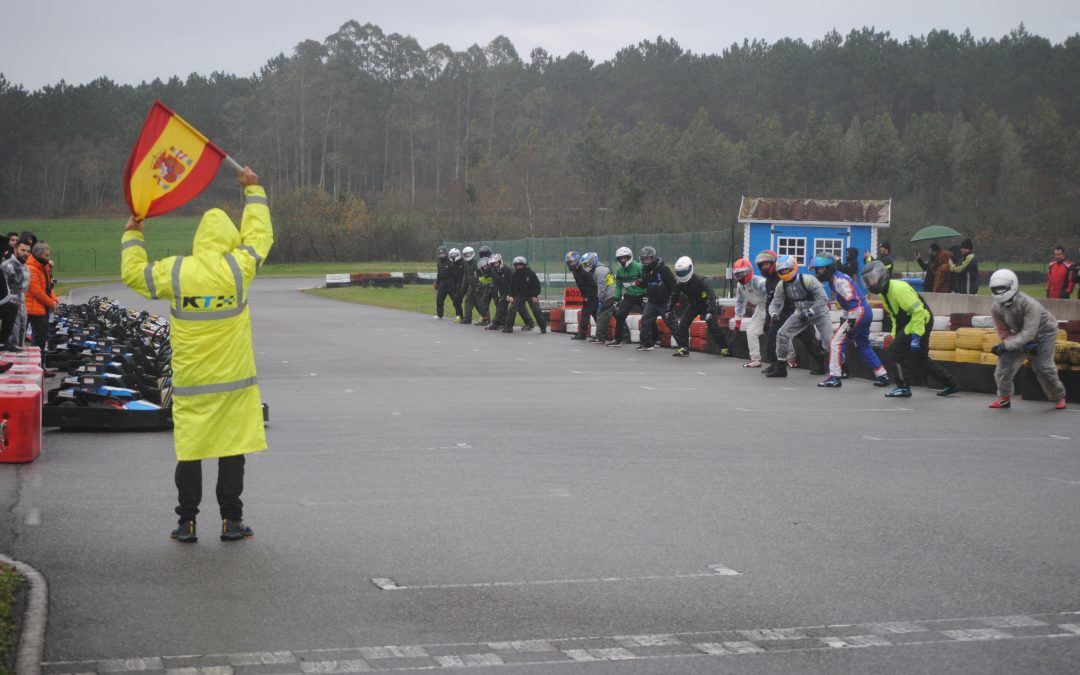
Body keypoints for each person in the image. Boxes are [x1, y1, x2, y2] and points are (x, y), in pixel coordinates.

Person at [121, 165, 273, 542]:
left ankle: (186, 523)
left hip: (191, 383)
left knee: (190, 451)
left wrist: (133, 233)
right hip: (233, 384)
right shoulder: (237, 270)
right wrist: (253, 192)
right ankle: (231, 522)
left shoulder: (177, 272)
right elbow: (260, 238)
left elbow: (133, 274)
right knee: (231, 452)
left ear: (199, 237)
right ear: (228, 237)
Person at [862, 260, 959, 398]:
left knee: (895, 351)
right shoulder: (884, 294)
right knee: (920, 357)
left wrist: (916, 336)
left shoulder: (898, 289)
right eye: (867, 281)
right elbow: (895, 317)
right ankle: (951, 383)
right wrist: (895, 335)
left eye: (872, 279)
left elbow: (918, 312)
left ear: (881, 276)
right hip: (911, 320)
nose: (870, 284)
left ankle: (903, 387)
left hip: (921, 319)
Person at [987, 270, 1067, 410]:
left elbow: (1030, 332)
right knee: (1004, 363)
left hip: (1044, 332)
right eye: (997, 288)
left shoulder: (1030, 304)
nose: (1000, 291)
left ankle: (1058, 396)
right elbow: (1003, 331)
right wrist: (1007, 344)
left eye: (1003, 288)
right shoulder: (995, 308)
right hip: (1021, 334)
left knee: (1042, 366)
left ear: (1012, 286)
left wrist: (1008, 345)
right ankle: (1004, 397)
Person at [809, 254, 889, 388]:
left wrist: (850, 322)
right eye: (817, 269)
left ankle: (834, 377)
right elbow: (847, 301)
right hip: (863, 312)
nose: (818, 272)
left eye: (821, 269)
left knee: (835, 342)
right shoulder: (837, 278)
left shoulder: (839, 281)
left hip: (858, 312)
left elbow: (853, 301)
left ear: (829, 268)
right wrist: (845, 319)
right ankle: (882, 375)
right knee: (863, 345)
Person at [764, 256, 830, 378]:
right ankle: (781, 368)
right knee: (782, 334)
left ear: (794, 267)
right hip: (800, 312)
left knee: (828, 342)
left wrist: (811, 311)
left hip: (819, 312)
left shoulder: (808, 280)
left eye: (786, 269)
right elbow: (776, 302)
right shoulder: (781, 285)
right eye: (781, 271)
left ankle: (841, 367)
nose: (784, 273)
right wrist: (774, 313)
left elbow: (823, 298)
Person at [664, 256, 729, 358]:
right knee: (683, 323)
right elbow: (674, 295)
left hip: (706, 304)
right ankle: (684, 348)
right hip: (693, 305)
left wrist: (710, 311)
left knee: (713, 326)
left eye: (684, 272)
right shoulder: (680, 282)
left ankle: (724, 348)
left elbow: (712, 295)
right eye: (680, 272)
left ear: (690, 269)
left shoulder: (700, 280)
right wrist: (668, 309)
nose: (682, 275)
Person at [637, 246, 674, 351]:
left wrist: (672, 300)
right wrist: (640, 283)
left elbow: (673, 285)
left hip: (664, 302)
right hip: (652, 302)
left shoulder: (663, 269)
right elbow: (646, 284)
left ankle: (682, 345)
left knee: (671, 322)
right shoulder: (645, 270)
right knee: (645, 321)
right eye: (643, 259)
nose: (645, 262)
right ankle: (647, 343)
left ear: (652, 258)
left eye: (647, 259)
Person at [732, 258, 767, 367]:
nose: (741, 276)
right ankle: (755, 359)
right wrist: (738, 321)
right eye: (738, 273)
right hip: (760, 308)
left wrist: (772, 314)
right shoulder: (740, 286)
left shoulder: (760, 282)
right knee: (751, 331)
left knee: (781, 333)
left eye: (743, 272)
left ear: (750, 270)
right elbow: (740, 302)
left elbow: (772, 296)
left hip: (772, 307)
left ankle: (791, 358)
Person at [608, 246, 645, 347]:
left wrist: (648, 293)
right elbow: (618, 286)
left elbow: (646, 281)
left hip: (643, 295)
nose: (623, 260)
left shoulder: (639, 267)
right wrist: (616, 299)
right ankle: (617, 339)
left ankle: (655, 339)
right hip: (629, 296)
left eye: (625, 257)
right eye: (620, 258)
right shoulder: (620, 271)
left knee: (647, 316)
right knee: (619, 315)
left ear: (630, 257)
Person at [25, 242, 58, 355]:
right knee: (38, 339)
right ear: (38, 255)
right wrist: (51, 303)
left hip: (42, 307)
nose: (48, 258)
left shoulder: (43, 267)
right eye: (46, 255)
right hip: (35, 308)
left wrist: (55, 300)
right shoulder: (32, 268)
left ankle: (42, 365)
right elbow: (37, 292)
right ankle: (37, 365)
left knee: (42, 337)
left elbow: (48, 287)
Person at [0, 238, 30, 350]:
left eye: (28, 251)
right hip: (9, 301)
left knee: (23, 328)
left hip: (22, 302)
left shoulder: (26, 267)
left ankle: (19, 350)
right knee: (14, 330)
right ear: (15, 249)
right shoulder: (6, 266)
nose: (25, 253)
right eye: (23, 250)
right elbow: (3, 289)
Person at [505, 256, 546, 333]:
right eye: (516, 265)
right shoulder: (515, 274)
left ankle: (543, 327)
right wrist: (510, 295)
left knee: (536, 310)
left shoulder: (530, 273)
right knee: (512, 308)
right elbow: (511, 286)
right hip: (520, 295)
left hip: (531, 295)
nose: (518, 267)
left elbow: (537, 285)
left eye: (520, 265)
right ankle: (508, 327)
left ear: (524, 265)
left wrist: (535, 295)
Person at [585, 253, 616, 344]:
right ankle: (625, 336)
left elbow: (601, 285)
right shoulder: (601, 268)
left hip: (609, 295)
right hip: (613, 293)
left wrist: (600, 298)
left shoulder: (599, 270)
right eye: (585, 264)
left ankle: (600, 337)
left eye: (588, 263)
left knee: (602, 315)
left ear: (594, 261)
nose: (587, 265)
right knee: (618, 314)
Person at [566, 251, 597, 341]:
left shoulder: (584, 270)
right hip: (587, 295)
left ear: (576, 260)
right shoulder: (575, 271)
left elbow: (592, 284)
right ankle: (602, 333)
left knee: (585, 314)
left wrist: (588, 296)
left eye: (571, 262)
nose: (570, 264)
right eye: (569, 263)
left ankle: (582, 334)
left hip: (591, 294)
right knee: (595, 314)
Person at [485, 254, 513, 331]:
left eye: (496, 263)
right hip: (505, 292)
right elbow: (498, 283)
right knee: (501, 305)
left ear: (500, 262)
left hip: (513, 291)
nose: (495, 265)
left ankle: (495, 324)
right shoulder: (496, 271)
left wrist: (511, 295)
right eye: (493, 264)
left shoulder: (508, 270)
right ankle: (501, 323)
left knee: (519, 307)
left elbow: (512, 283)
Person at [458, 246, 481, 324]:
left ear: (472, 253)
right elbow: (465, 278)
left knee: (480, 303)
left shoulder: (476, 263)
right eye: (466, 254)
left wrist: (479, 286)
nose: (468, 256)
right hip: (471, 286)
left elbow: (480, 276)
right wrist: (462, 290)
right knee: (468, 301)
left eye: (469, 254)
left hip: (478, 286)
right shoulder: (466, 264)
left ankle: (486, 318)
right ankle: (467, 318)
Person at [474, 254, 496, 326]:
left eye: (486, 266)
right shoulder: (482, 272)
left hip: (496, 288)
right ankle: (485, 319)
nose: (485, 268)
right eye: (483, 267)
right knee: (483, 302)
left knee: (499, 304)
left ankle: (501, 321)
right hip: (488, 287)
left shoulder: (494, 270)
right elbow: (484, 281)